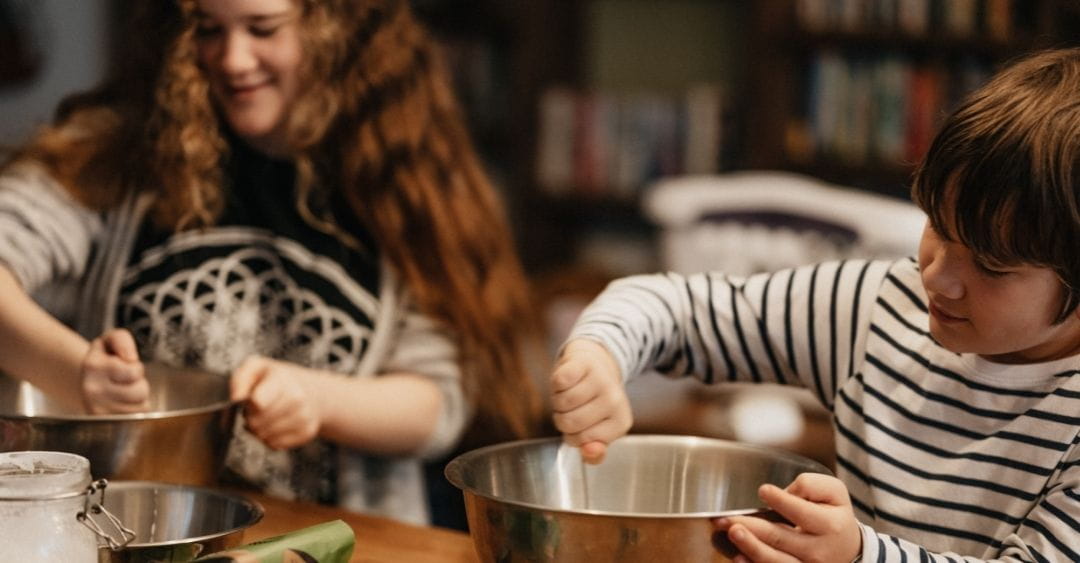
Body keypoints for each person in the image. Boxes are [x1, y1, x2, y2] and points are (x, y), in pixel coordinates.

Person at [0, 0, 540, 525]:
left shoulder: (404, 181)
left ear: (336, 28)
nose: (232, 59)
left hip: (332, 538)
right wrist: (75, 373)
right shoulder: (115, 153)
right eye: (208, 28)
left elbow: (436, 406)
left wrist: (317, 398)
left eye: (263, 28)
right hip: (126, 529)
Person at [551, 47, 1080, 562]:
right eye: (937, 227)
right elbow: (674, 307)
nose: (937, 277)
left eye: (990, 265)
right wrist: (601, 353)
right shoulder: (878, 307)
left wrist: (858, 555)